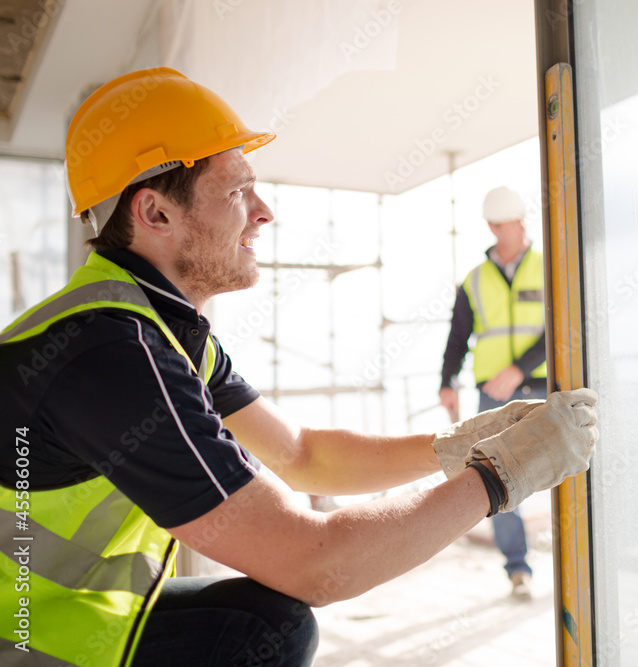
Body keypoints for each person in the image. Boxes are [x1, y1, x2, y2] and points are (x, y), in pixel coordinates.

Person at [0, 68, 599, 667]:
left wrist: (451, 447)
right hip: (22, 640)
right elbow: (317, 564)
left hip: (57, 618)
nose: (264, 213)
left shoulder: (155, 330)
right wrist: (501, 476)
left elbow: (303, 455)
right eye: (237, 192)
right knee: (268, 629)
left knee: (261, 621)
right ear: (155, 213)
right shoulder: (111, 354)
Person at [439, 186, 547, 599]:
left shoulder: (549, 263)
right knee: (498, 483)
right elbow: (457, 338)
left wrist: (519, 368)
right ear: (491, 226)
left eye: (512, 224)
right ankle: (518, 569)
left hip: (542, 387)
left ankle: (581, 562)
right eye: (498, 225)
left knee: (564, 471)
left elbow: (562, 326)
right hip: (493, 396)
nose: (506, 232)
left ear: (524, 222)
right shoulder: (475, 279)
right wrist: (447, 382)